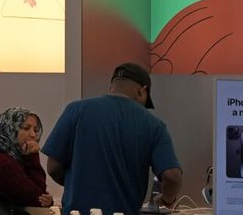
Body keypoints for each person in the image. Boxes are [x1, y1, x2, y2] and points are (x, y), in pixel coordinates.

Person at [43, 63, 182, 215]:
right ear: (142, 91)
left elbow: (53, 167)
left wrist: (77, 184)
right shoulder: (154, 125)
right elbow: (172, 176)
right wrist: (167, 199)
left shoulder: (76, 110)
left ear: (111, 88)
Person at [0, 108, 53, 208]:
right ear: (11, 129)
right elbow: (36, 199)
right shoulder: (3, 161)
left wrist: (47, 200)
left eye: (35, 130)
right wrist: (32, 155)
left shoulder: (5, 153)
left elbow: (34, 194)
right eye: (26, 128)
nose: (33, 135)